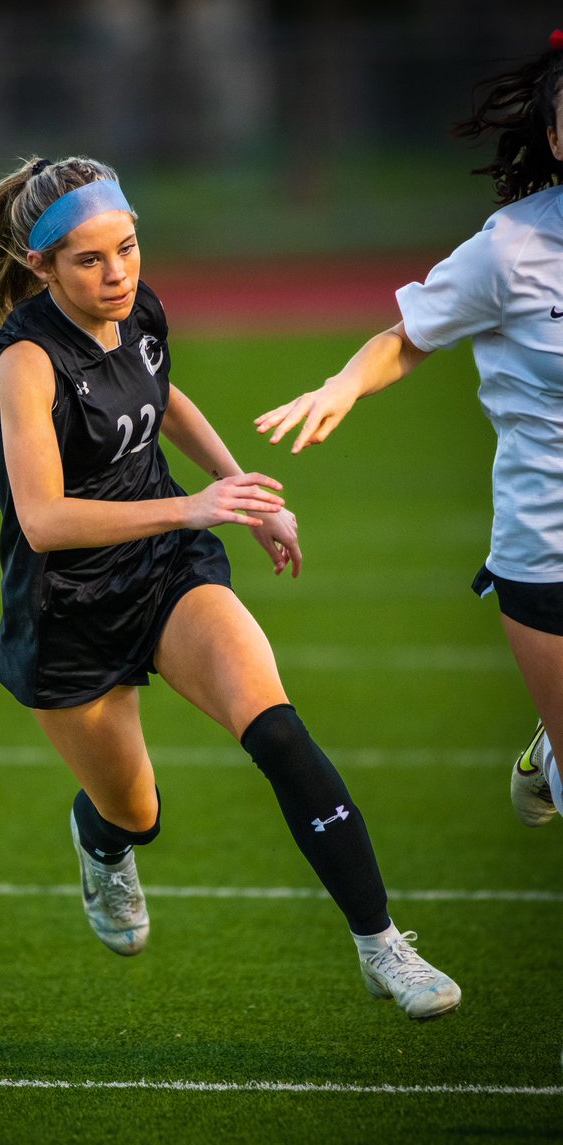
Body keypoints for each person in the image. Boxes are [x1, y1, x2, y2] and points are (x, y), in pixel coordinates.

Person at [0, 154, 461, 1021]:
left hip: (167, 570)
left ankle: (381, 946)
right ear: (40, 267)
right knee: (135, 813)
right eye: (90, 261)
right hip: (67, 609)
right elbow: (44, 522)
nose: (118, 274)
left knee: (279, 732)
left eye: (128, 249)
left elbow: (160, 391)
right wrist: (196, 504)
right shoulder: (21, 363)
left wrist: (239, 494)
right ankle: (104, 846)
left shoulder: (135, 306)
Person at [256, 31, 563, 831]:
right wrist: (341, 386)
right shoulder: (511, 249)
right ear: (555, 137)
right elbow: (405, 336)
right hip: (546, 544)